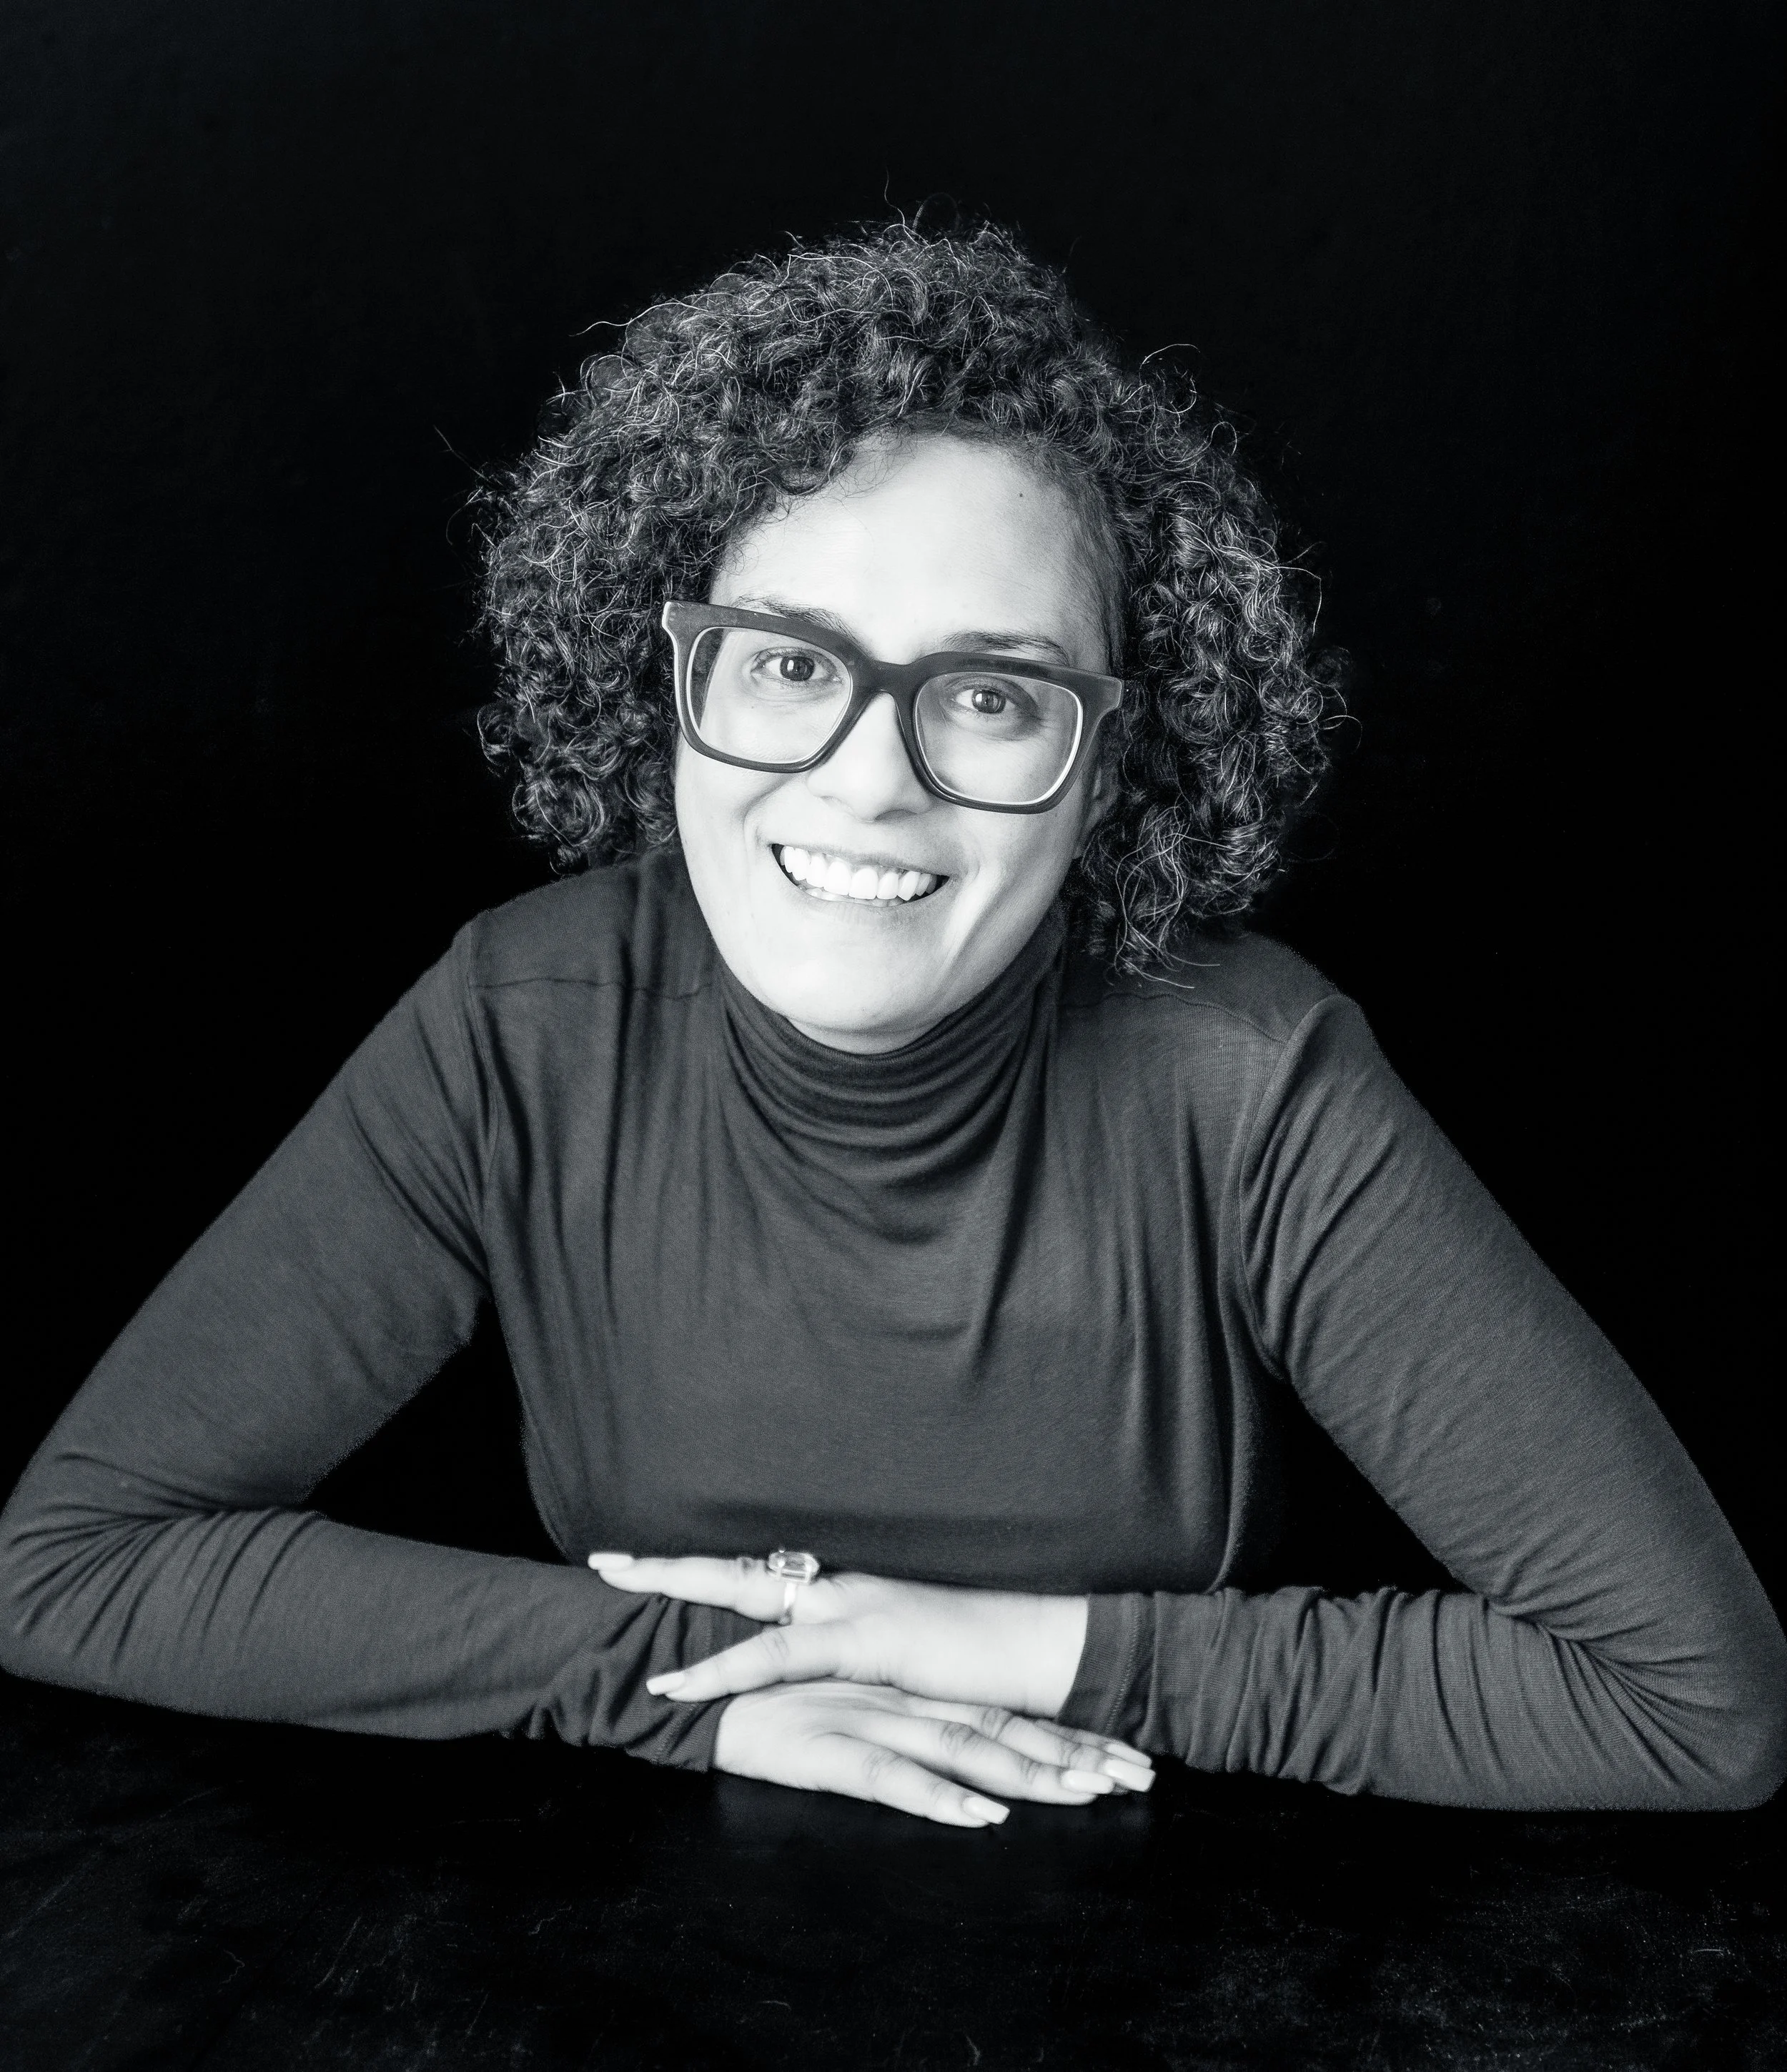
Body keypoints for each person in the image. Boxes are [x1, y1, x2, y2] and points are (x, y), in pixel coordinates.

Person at [2, 222, 1781, 1828]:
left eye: (988, 696)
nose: (865, 785)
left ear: (1109, 764)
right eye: (786, 664)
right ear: (669, 682)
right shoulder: (516, 1021)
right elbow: (66, 1566)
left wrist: (1013, 1651)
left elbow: (1690, 1707)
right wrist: (683, 1693)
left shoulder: (1248, 1081)